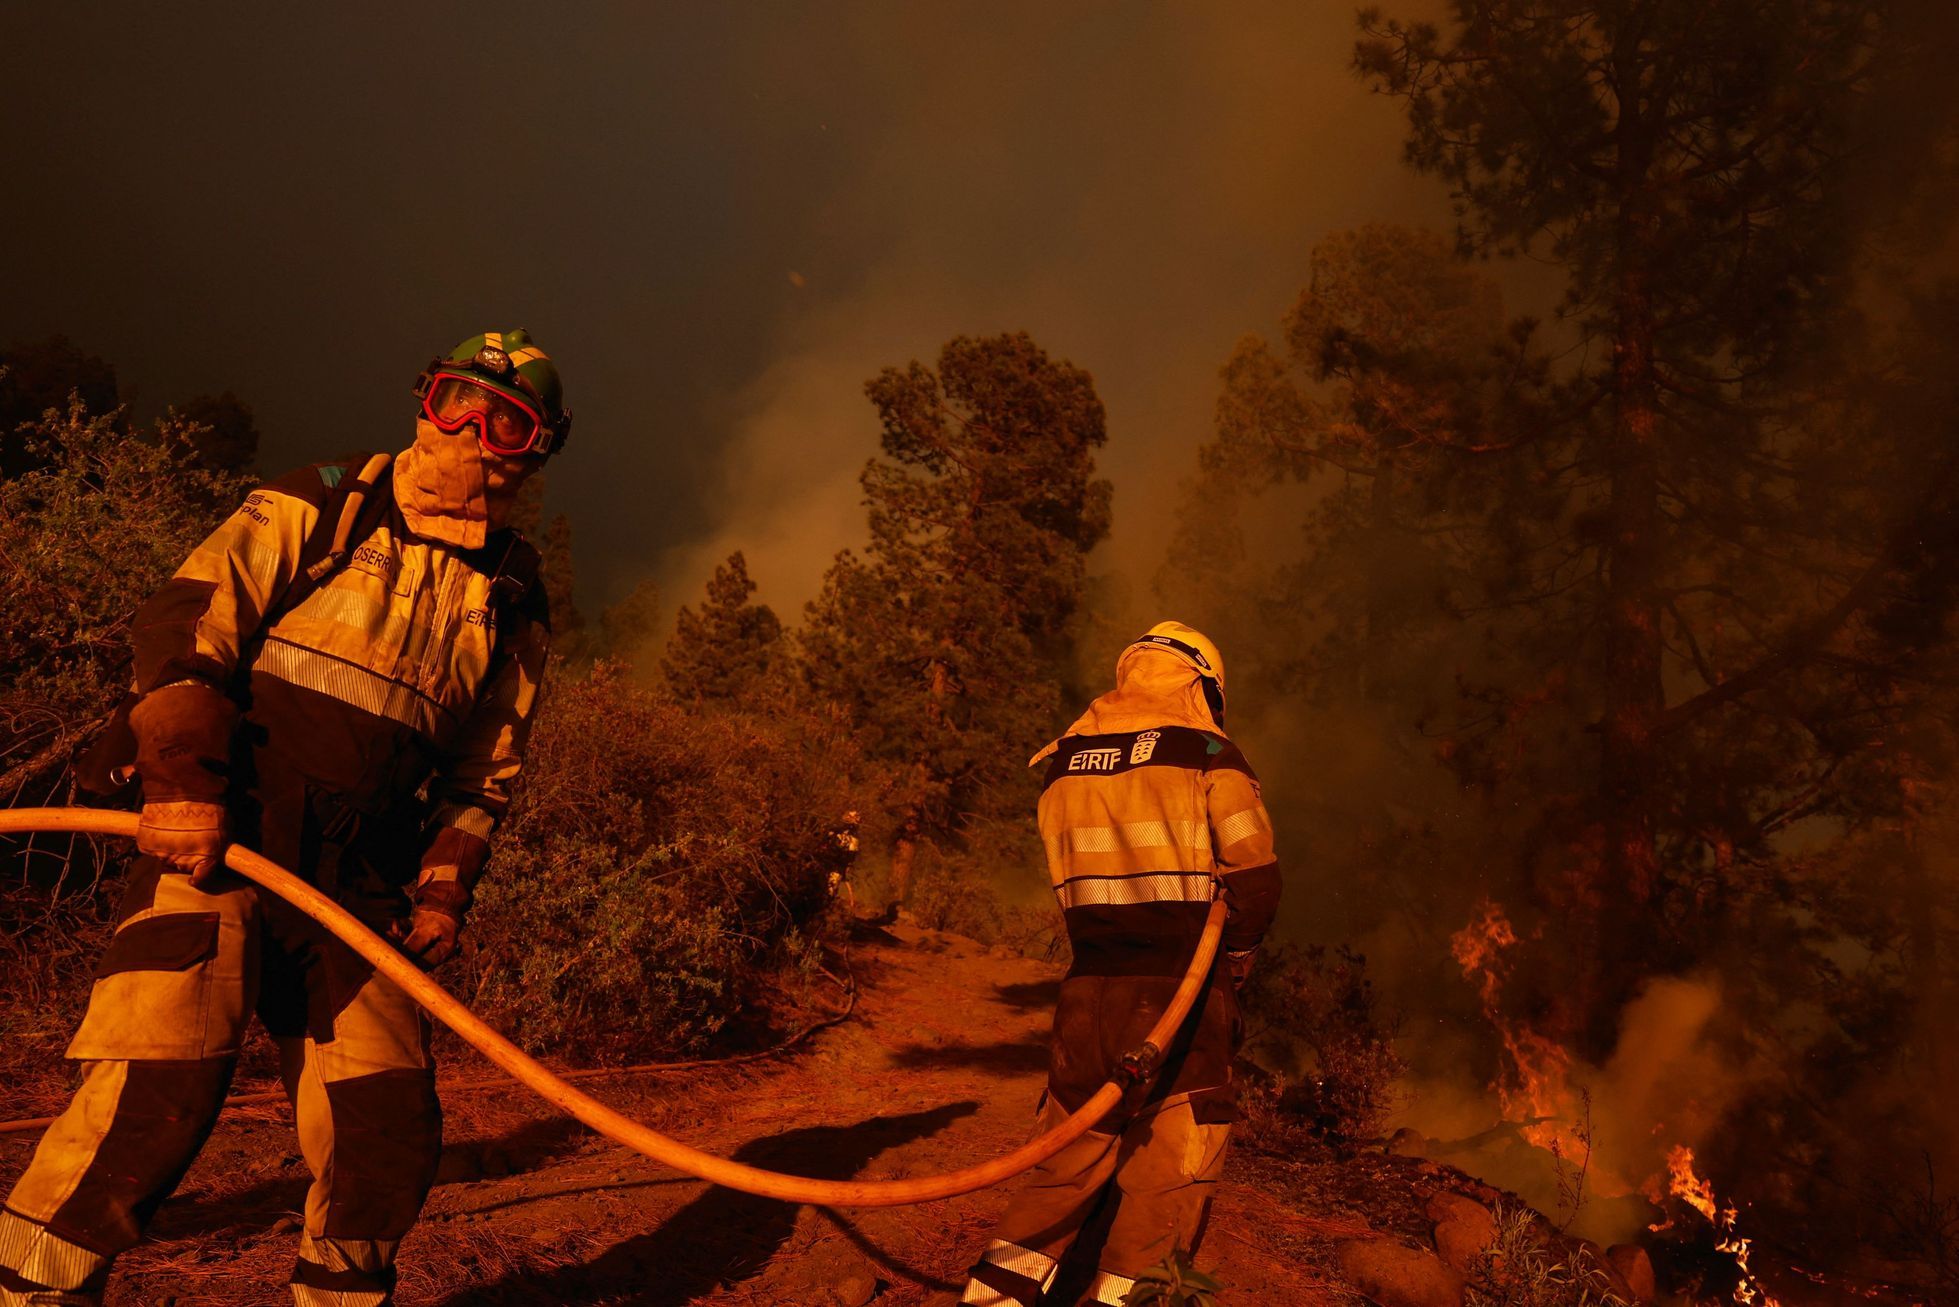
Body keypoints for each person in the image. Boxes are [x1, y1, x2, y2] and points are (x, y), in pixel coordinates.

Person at [0, 329, 569, 1307]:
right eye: (452, 400)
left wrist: (441, 889)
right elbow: (188, 619)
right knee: (152, 1097)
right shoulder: (329, 501)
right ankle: (30, 1290)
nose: (468, 431)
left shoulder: (512, 596)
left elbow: (488, 772)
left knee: (383, 1130)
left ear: (537, 446)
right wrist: (181, 784)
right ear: (422, 403)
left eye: (502, 418)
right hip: (221, 843)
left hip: (362, 889)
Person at [960, 622, 1281, 1307]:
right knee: (1167, 1181)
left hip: (1087, 995)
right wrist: (1238, 964)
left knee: (1060, 1169)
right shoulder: (1207, 752)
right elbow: (1253, 878)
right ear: (1199, 687)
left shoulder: (1062, 762)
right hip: (1181, 1000)